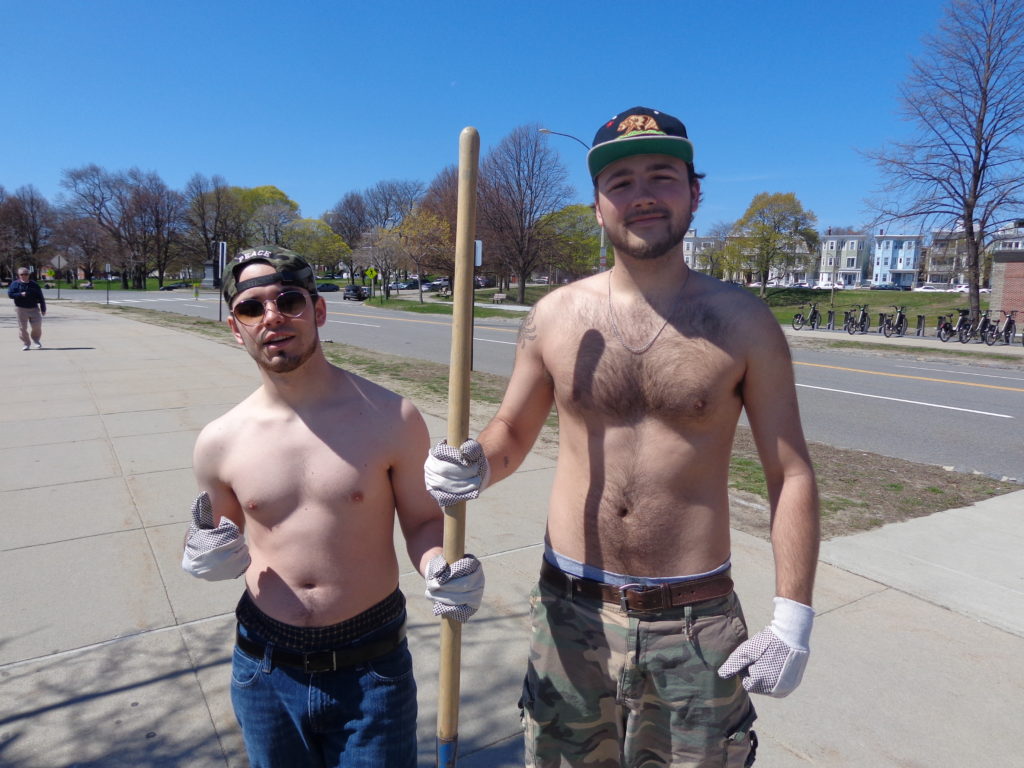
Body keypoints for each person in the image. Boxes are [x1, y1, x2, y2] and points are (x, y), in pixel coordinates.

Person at [425, 107, 819, 767]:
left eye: (661, 176)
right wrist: (474, 467)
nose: (641, 195)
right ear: (598, 206)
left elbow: (792, 475)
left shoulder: (745, 324)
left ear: (694, 192)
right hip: (568, 615)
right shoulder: (556, 317)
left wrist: (794, 620)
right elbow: (511, 433)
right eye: (621, 181)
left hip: (694, 623)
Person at [183, 246, 484, 768]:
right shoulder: (219, 442)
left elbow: (421, 520)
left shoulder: (393, 416)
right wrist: (204, 550)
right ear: (236, 329)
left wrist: (439, 565)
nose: (272, 317)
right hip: (264, 669)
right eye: (252, 308)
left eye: (289, 300)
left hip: (372, 670)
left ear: (318, 311)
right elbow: (225, 534)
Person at [8, 267, 46, 350]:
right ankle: (26, 343)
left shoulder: (34, 284)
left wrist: (43, 308)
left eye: (26, 274)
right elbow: (10, 295)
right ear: (19, 275)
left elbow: (40, 297)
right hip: (20, 309)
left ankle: (36, 340)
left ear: (29, 275)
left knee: (37, 326)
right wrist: (20, 294)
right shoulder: (14, 284)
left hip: (34, 308)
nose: (24, 276)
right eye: (22, 274)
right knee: (22, 328)